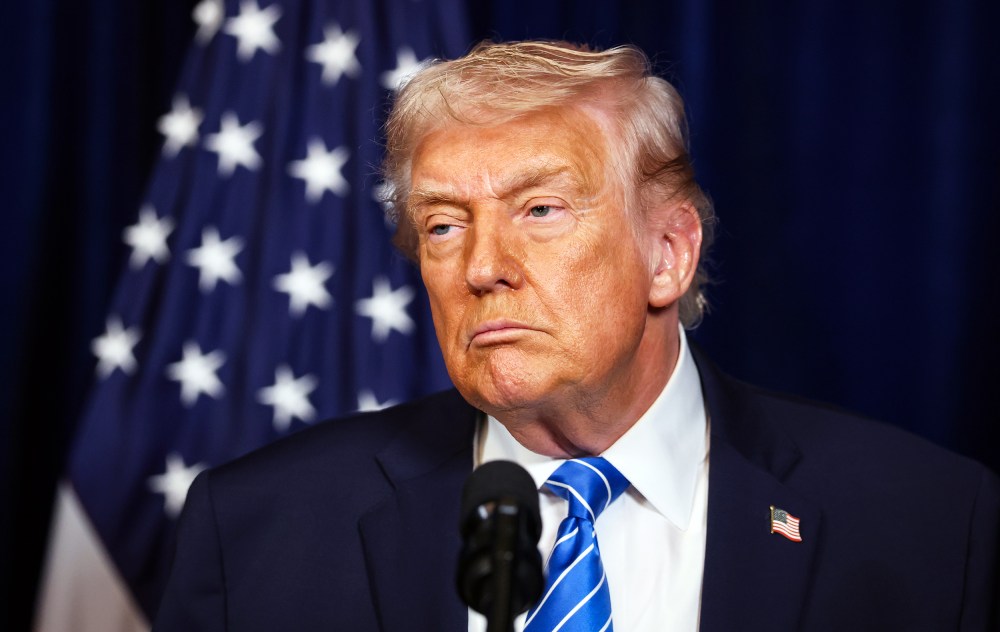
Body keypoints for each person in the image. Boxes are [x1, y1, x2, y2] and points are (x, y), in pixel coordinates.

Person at [153, 41, 999, 631]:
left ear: (667, 254)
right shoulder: (260, 529)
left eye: (541, 210)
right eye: (443, 225)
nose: (483, 266)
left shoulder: (924, 525)